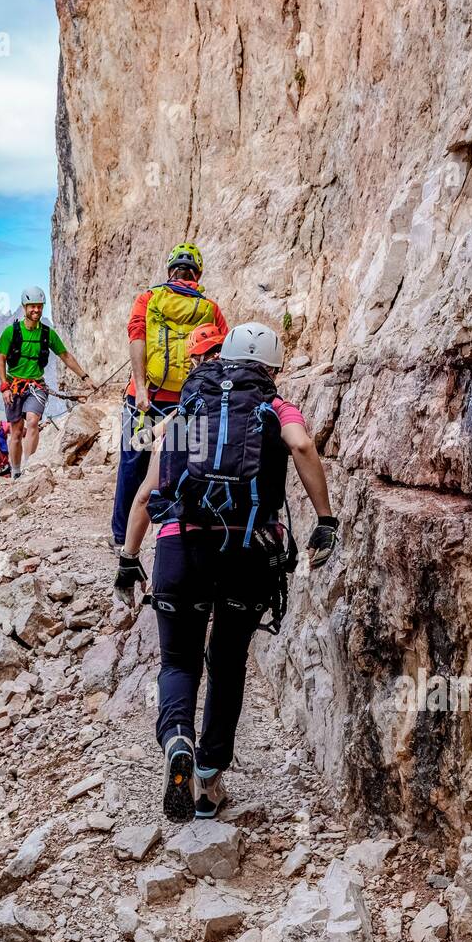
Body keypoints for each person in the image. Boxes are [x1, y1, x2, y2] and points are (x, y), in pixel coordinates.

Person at [114, 322, 339, 823]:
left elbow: (152, 490)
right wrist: (325, 520)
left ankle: (177, 742)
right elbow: (301, 446)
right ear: (272, 367)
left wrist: (129, 559)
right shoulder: (274, 405)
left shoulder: (187, 409)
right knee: (227, 662)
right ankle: (209, 781)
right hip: (246, 550)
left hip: (179, 547)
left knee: (177, 662)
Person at [111, 243, 228, 550]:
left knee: (132, 460)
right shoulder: (210, 308)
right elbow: (222, 354)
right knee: (180, 463)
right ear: (197, 274)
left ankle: (123, 537)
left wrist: (141, 387)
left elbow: (137, 338)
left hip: (144, 395)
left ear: (170, 271)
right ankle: (174, 532)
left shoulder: (148, 299)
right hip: (187, 400)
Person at [0, 287, 93, 478]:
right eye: (32, 306)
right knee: (16, 432)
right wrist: (4, 387)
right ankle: (15, 471)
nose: (36, 310)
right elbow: (1, 359)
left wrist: (85, 377)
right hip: (14, 386)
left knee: (32, 422)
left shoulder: (48, 334)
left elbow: (65, 355)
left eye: (39, 306)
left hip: (36, 386)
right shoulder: (11, 332)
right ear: (24, 307)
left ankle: (29, 468)